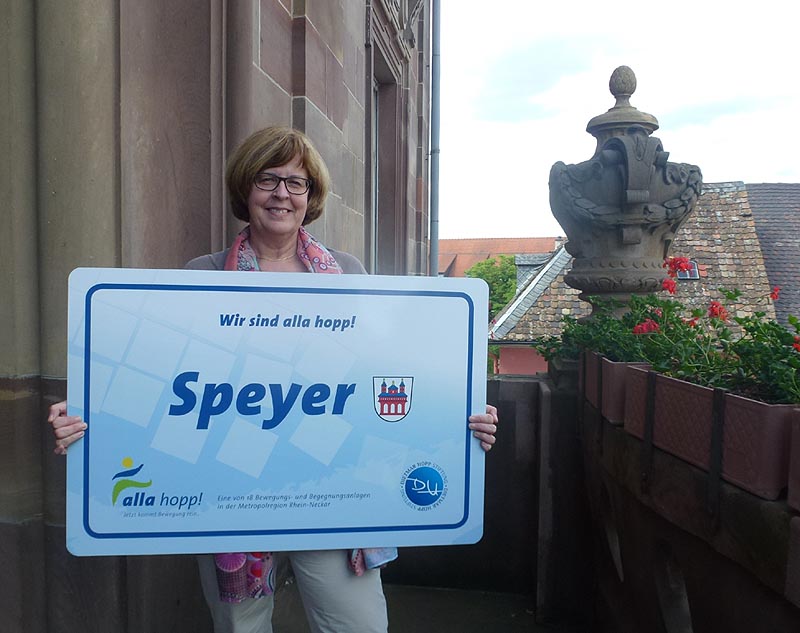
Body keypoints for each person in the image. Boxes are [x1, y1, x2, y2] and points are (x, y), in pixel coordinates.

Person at [48, 126, 500, 633]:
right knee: (241, 629)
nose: (282, 193)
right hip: (231, 497)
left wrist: (459, 420)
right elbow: (160, 380)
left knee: (358, 626)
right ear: (246, 188)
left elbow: (392, 373)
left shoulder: (348, 274)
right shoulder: (202, 274)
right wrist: (89, 416)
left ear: (312, 196)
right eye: (268, 179)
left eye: (296, 182)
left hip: (331, 492)